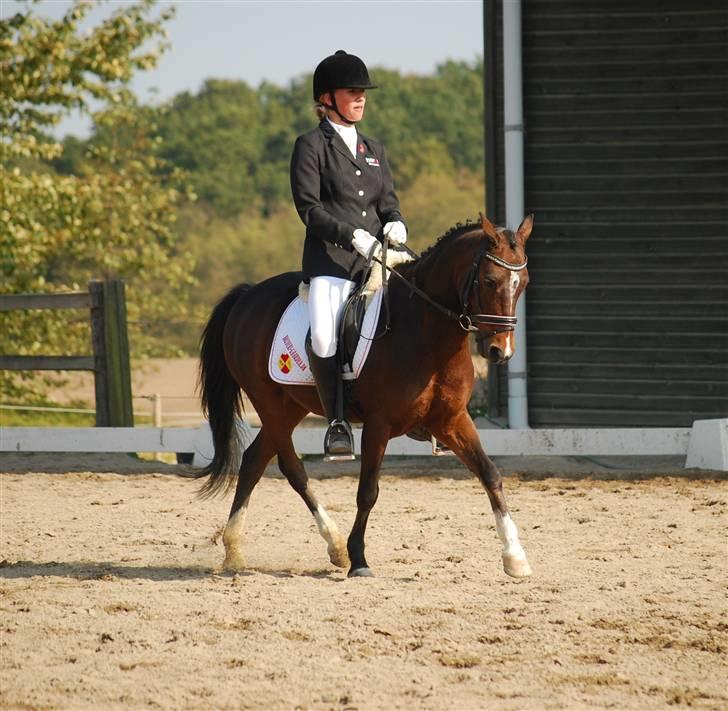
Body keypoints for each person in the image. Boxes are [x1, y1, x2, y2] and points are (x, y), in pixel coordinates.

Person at [290, 49, 408, 461]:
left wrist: (396, 222)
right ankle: (337, 420)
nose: (360, 98)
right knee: (323, 333)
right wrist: (351, 235)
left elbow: (387, 203)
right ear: (327, 98)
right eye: (351, 91)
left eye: (363, 92)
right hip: (333, 264)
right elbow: (309, 209)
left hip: (378, 260)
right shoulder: (310, 146)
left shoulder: (374, 148)